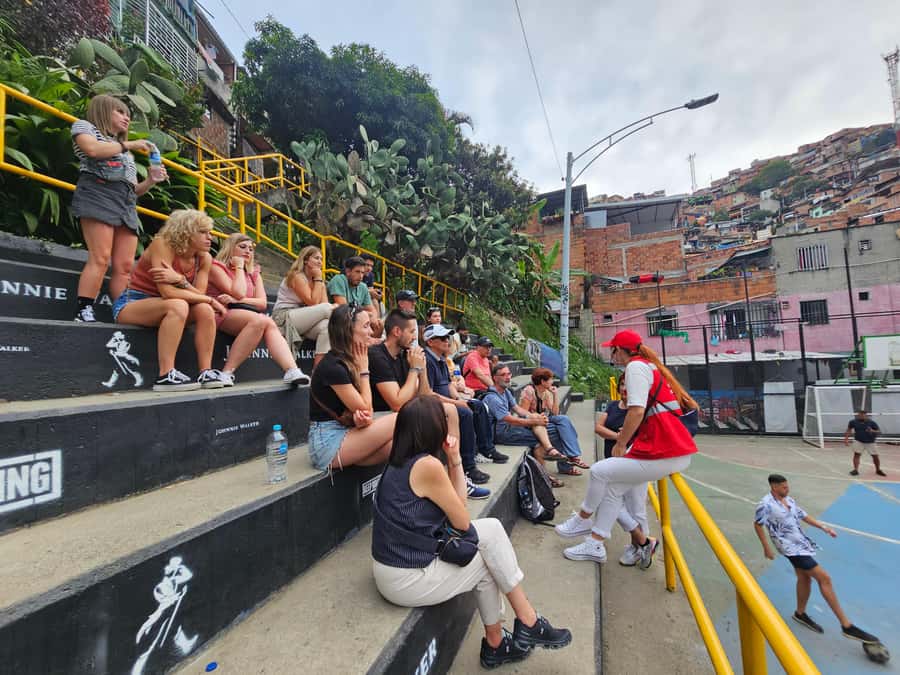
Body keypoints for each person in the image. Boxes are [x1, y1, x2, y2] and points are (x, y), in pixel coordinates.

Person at [371, 396, 572, 669]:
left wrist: (454, 459)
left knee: (491, 530)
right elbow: (463, 520)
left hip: (396, 562)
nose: (447, 425)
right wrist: (454, 461)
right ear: (431, 428)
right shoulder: (426, 465)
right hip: (404, 576)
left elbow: (459, 509)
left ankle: (508, 635)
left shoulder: (403, 458)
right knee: (488, 564)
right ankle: (520, 627)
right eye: (442, 421)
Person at [555, 329, 698, 565]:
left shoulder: (636, 367)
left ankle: (583, 518)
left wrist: (621, 444)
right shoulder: (648, 366)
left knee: (600, 471)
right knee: (612, 490)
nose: (612, 355)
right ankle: (595, 542)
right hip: (669, 449)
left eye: (613, 350)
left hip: (667, 450)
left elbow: (637, 410)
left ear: (619, 350)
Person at [368, 310, 490, 499]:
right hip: (383, 416)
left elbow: (424, 393)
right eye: (412, 332)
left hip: (403, 411)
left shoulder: (405, 355)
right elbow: (397, 402)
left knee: (450, 410)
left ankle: (457, 476)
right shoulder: (378, 356)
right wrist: (415, 368)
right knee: (443, 415)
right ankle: (439, 482)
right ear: (397, 332)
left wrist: (421, 368)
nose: (416, 338)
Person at [71, 95, 168, 322]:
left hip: (125, 202)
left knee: (125, 265)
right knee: (101, 257)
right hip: (98, 192)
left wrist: (151, 180)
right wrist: (129, 144)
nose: (126, 118)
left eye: (128, 115)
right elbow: (92, 150)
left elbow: (133, 189)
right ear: (104, 111)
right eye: (121, 112)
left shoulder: (127, 154)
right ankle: (83, 310)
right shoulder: (85, 127)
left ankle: (123, 312)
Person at [753, 474, 881, 644]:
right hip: (790, 548)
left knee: (804, 578)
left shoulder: (789, 500)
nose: (787, 489)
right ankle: (846, 625)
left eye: (787, 486)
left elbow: (803, 516)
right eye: (783, 487)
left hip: (801, 543)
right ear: (774, 487)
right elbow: (758, 524)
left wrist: (824, 528)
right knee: (825, 578)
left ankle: (800, 613)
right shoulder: (765, 504)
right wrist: (766, 547)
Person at [112, 209, 229, 390]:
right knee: (180, 305)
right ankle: (166, 375)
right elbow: (167, 292)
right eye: (203, 232)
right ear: (186, 231)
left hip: (168, 305)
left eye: (210, 233)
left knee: (204, 309)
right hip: (133, 303)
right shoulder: (163, 245)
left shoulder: (204, 258)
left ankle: (206, 372)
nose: (210, 238)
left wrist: (180, 280)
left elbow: (198, 295)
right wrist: (210, 299)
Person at [207, 234, 309, 386]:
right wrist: (239, 267)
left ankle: (292, 370)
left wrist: (238, 300)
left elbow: (261, 303)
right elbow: (238, 291)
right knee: (263, 320)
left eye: (251, 249)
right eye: (242, 247)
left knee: (266, 322)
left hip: (244, 315)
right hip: (218, 312)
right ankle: (226, 373)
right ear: (230, 247)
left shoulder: (254, 272)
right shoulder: (216, 267)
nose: (248, 251)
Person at [307, 304, 396, 472]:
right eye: (365, 326)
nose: (370, 331)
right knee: (402, 418)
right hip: (327, 445)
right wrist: (364, 371)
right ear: (348, 331)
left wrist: (359, 420)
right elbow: (366, 408)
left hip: (346, 431)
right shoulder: (333, 366)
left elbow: (364, 415)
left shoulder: (349, 360)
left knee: (396, 445)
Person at [423, 323, 508, 465]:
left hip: (450, 399)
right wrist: (458, 402)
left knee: (478, 406)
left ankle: (487, 449)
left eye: (447, 337)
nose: (447, 341)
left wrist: (457, 397)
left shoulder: (441, 359)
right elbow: (429, 394)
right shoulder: (427, 360)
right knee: (465, 412)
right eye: (442, 338)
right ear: (430, 342)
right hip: (435, 404)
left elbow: (448, 384)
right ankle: (468, 463)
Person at [594, 375, 657, 567]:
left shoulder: (640, 411)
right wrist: (619, 436)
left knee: (635, 507)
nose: (623, 389)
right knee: (614, 502)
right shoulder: (613, 406)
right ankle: (644, 542)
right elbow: (598, 427)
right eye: (622, 385)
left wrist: (625, 438)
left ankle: (639, 546)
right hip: (613, 463)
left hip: (633, 464)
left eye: (628, 385)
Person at [484, 364, 572, 489]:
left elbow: (518, 409)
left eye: (509, 374)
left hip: (509, 428)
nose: (508, 377)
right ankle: (543, 476)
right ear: (495, 378)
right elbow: (510, 419)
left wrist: (533, 416)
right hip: (500, 433)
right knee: (537, 441)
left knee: (542, 424)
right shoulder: (492, 397)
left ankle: (550, 452)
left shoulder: (506, 392)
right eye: (503, 375)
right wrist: (533, 421)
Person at [272, 245, 335, 369]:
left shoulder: (318, 280)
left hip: (302, 319)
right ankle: (351, 333)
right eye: (316, 258)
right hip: (284, 317)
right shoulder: (296, 276)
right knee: (329, 309)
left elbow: (322, 304)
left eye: (321, 259)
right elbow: (314, 303)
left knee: (327, 327)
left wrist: (319, 281)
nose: (320, 262)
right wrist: (318, 278)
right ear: (306, 260)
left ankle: (318, 371)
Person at [519, 368, 589, 476]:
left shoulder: (546, 393)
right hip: (532, 425)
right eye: (551, 379)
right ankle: (567, 465)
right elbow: (522, 414)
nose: (553, 381)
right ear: (542, 381)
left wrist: (555, 395)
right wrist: (536, 416)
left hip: (545, 420)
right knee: (560, 432)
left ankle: (572, 456)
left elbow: (555, 413)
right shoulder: (529, 391)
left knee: (564, 420)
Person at [327, 256, 383, 335]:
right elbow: (343, 310)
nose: (360, 276)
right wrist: (366, 314)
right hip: (338, 320)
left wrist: (373, 318)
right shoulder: (339, 280)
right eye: (357, 272)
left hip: (356, 319)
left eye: (362, 273)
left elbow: (372, 309)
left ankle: (372, 346)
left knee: (379, 325)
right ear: (348, 271)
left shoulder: (363, 286)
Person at [843, 410, 885, 477]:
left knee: (875, 456)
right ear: (857, 415)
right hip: (858, 441)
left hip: (870, 442)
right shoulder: (853, 422)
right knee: (856, 455)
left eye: (863, 415)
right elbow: (848, 430)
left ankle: (878, 470)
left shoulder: (872, 422)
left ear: (866, 415)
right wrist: (846, 439)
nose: (861, 416)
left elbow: (879, 432)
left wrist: (872, 430)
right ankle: (855, 470)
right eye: (859, 415)